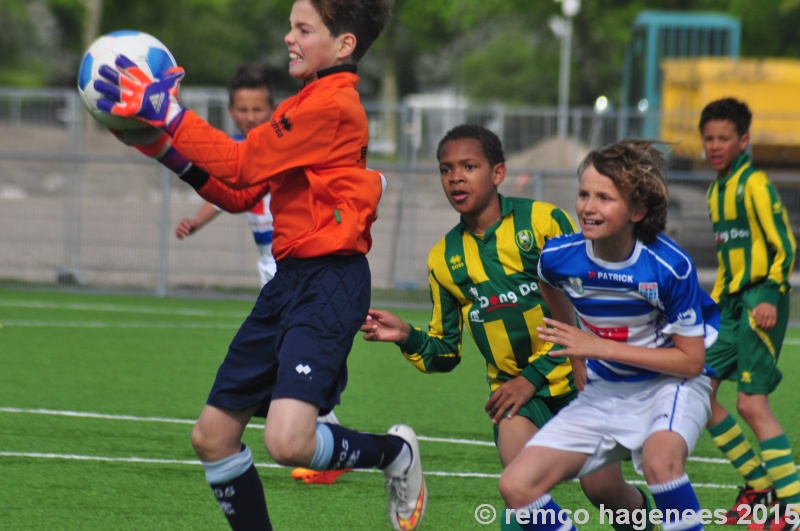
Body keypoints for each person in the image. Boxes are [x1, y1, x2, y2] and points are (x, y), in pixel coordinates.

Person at [94, 2, 427, 530]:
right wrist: (162, 146)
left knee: (287, 441)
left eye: (303, 28)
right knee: (212, 437)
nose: (288, 37)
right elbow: (238, 192)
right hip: (289, 284)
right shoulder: (304, 102)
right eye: (291, 26)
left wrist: (170, 113)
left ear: (344, 45)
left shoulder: (333, 106)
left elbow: (242, 161)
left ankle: (395, 454)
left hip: (330, 281)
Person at [361, 125, 658, 531]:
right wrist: (407, 336)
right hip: (513, 392)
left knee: (603, 491)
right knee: (520, 489)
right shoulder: (443, 259)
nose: (456, 178)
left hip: (578, 379)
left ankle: (644, 518)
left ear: (498, 173)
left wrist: (531, 378)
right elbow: (446, 353)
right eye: (446, 169)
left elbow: (584, 308)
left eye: (469, 166)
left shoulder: (542, 221)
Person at [497, 139, 720, 531]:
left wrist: (597, 346)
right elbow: (548, 281)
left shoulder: (668, 266)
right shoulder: (559, 256)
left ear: (638, 210)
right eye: (584, 194)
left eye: (604, 197)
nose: (588, 206)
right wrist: (577, 354)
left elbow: (692, 361)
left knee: (660, 462)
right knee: (517, 485)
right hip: (607, 390)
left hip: (672, 385)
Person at [699, 98, 800, 531]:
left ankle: (793, 509)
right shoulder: (713, 190)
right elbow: (728, 260)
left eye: (725, 138)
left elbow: (786, 245)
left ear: (743, 140)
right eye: (709, 138)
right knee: (697, 390)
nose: (715, 145)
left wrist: (773, 293)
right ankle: (758, 488)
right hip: (731, 306)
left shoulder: (754, 184)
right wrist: (712, 306)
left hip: (762, 300)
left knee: (751, 403)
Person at [174, 63, 278, 288]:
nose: (250, 117)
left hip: (294, 259)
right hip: (268, 262)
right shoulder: (233, 152)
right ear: (231, 111)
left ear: (272, 108)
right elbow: (225, 196)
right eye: (243, 110)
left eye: (257, 109)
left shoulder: (283, 145)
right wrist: (197, 220)